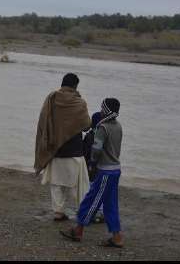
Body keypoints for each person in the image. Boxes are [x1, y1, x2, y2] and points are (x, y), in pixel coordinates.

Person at [60, 98, 124, 248]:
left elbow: (97, 149)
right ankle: (117, 237)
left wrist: (92, 164)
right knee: (110, 205)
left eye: (103, 108)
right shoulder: (118, 126)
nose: (101, 111)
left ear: (106, 110)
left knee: (91, 201)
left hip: (105, 172)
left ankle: (78, 230)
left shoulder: (103, 127)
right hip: (116, 169)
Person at [35, 73, 91, 221]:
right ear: (75, 86)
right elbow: (86, 126)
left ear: (62, 84)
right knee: (78, 185)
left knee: (56, 183)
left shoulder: (51, 99)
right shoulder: (80, 103)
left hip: (55, 149)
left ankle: (58, 212)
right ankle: (84, 211)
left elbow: (43, 122)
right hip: (74, 150)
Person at [83, 111, 105, 223]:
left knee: (89, 190)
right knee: (101, 191)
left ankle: (89, 211)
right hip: (103, 168)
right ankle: (100, 212)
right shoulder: (105, 135)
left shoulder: (90, 136)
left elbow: (85, 152)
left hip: (91, 167)